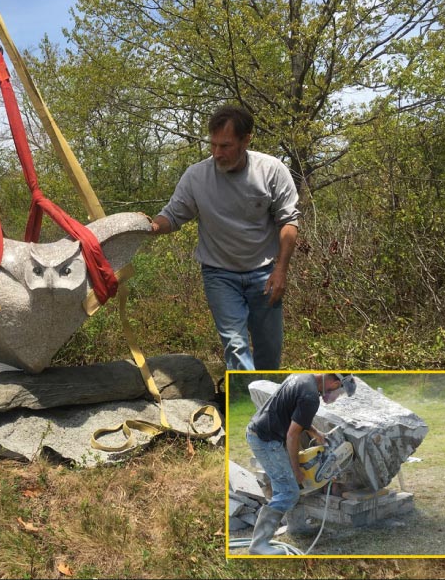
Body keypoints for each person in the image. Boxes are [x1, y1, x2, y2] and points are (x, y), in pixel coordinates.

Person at [150, 105, 300, 370]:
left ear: (246, 140)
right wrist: (148, 226)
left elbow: (288, 221)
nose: (218, 153)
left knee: (269, 349)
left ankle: (265, 398)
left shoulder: (271, 170)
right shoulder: (197, 176)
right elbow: (173, 216)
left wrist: (281, 270)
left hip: (264, 273)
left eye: (226, 146)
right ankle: (245, 401)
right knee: (235, 344)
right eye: (214, 145)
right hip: (219, 274)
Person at [244, 372, 357, 555]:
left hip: (262, 432)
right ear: (336, 383)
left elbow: (295, 414)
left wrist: (314, 432)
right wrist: (296, 470)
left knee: (287, 488)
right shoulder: (311, 397)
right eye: (340, 392)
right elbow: (292, 434)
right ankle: (259, 544)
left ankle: (297, 527)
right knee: (289, 490)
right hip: (266, 440)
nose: (337, 395)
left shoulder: (303, 378)